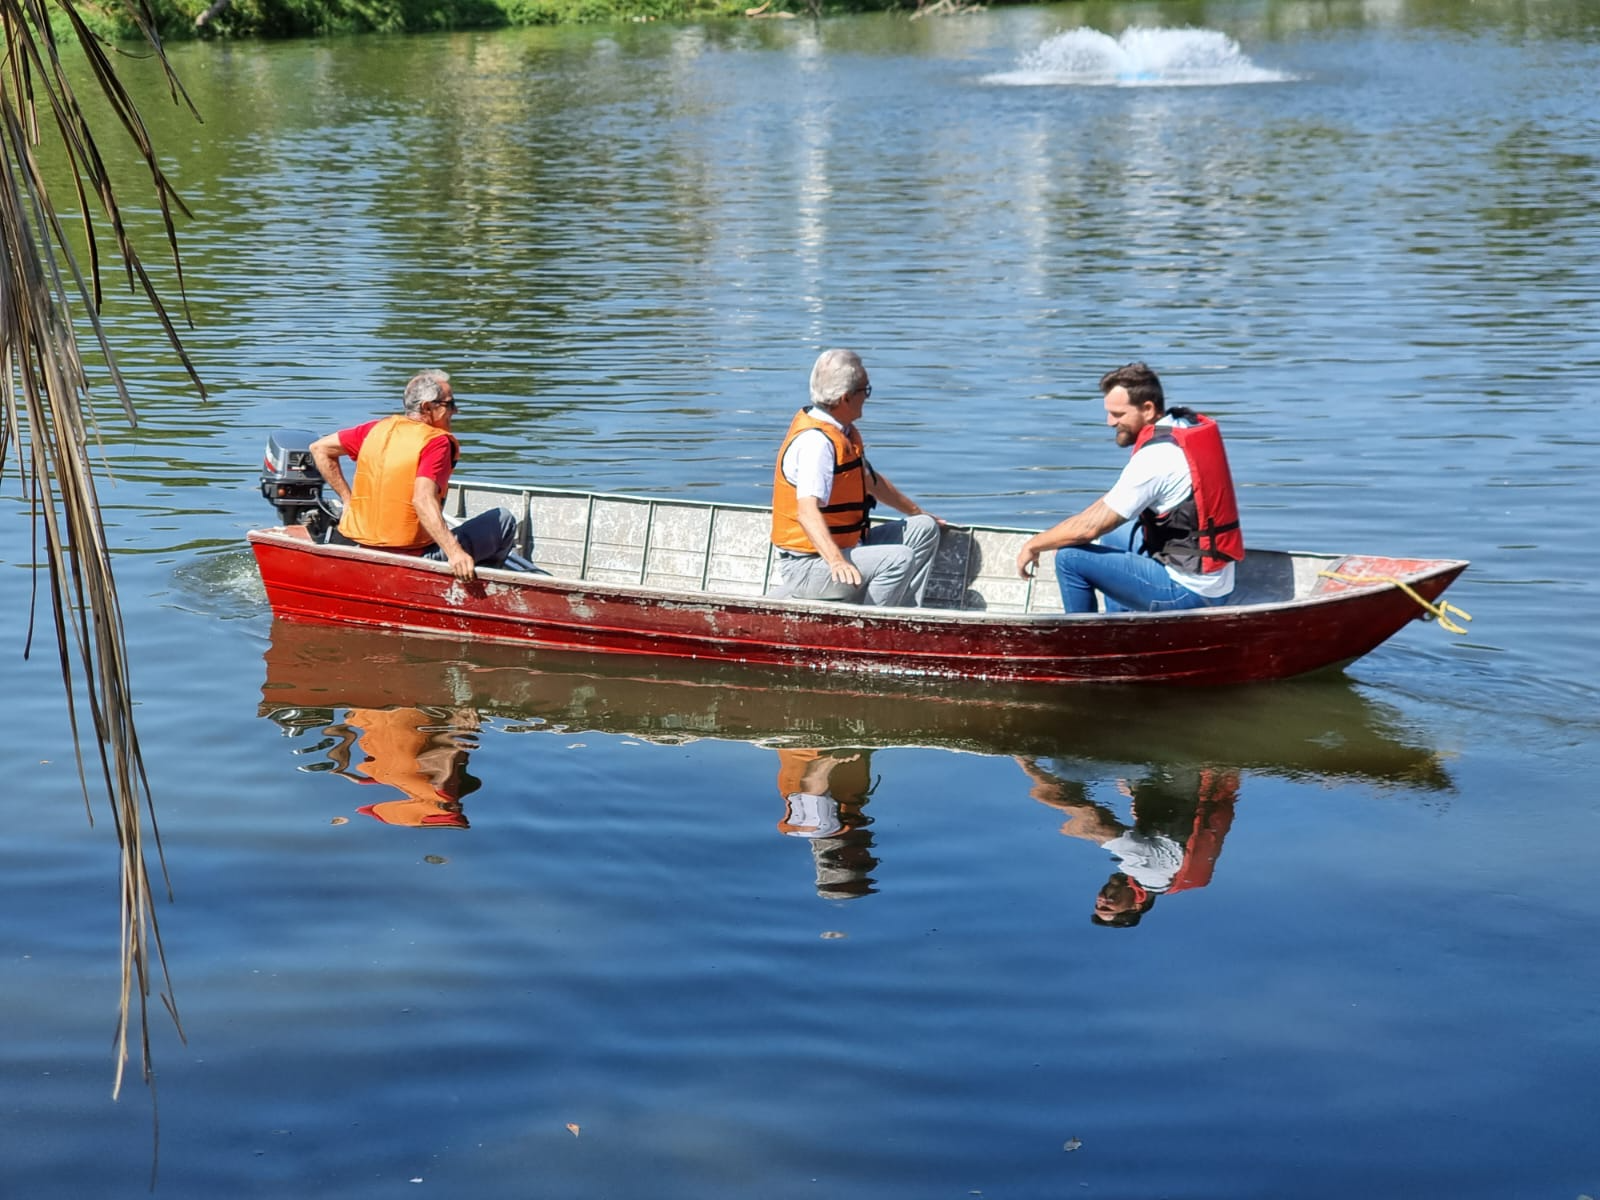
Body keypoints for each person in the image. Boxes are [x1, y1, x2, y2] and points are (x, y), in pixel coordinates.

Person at [1015, 362, 1243, 613]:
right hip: (1214, 583)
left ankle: (1084, 642)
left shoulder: (1157, 457)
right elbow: (1109, 505)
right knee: (1115, 535)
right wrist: (1079, 524)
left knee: (1070, 558)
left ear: (1147, 409)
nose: (1109, 422)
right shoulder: (1181, 427)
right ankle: (1120, 621)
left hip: (1188, 595)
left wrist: (1034, 544)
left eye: (1118, 414)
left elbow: (1089, 529)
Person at [771, 349, 943, 607]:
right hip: (809, 566)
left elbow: (870, 482)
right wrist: (836, 560)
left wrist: (918, 512)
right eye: (866, 390)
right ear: (845, 398)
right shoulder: (816, 444)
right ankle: (870, 628)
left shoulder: (843, 432)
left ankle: (905, 614)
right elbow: (806, 513)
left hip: (849, 544)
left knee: (923, 528)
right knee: (899, 559)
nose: (868, 397)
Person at [310, 370, 518, 581]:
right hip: (415, 557)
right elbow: (422, 499)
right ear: (427, 407)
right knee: (503, 520)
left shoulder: (375, 429)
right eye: (450, 404)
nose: (456, 411)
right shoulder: (436, 442)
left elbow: (320, 449)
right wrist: (455, 553)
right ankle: (481, 589)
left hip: (360, 547)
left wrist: (348, 501)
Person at [1015, 756, 1239, 928]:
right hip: (1176, 774)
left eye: (1098, 903)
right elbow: (1094, 823)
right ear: (1136, 905)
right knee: (1067, 770)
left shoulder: (1162, 877)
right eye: (1108, 905)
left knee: (1098, 774)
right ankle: (1020, 751)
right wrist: (1031, 771)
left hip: (1178, 784)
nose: (1102, 898)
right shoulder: (1149, 874)